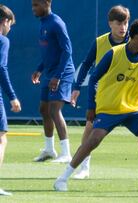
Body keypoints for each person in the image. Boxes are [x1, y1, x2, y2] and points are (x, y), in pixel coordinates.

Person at [54, 19, 138, 193]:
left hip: (134, 108)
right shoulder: (114, 53)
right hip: (109, 107)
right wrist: (91, 107)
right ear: (135, 38)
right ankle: (62, 178)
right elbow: (94, 78)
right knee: (93, 140)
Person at [31, 0, 75, 163]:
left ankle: (66, 153)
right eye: (32, 5)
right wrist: (39, 69)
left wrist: (58, 76)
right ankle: (49, 149)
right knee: (44, 109)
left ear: (47, 3)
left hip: (62, 73)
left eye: (36, 5)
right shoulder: (44, 23)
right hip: (49, 72)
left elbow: (66, 51)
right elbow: (50, 52)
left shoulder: (56, 23)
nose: (33, 8)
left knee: (55, 110)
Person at [0, 4, 22, 196]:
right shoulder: (3, 41)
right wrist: (13, 97)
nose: (9, 29)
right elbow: (1, 69)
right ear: (5, 21)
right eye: (10, 24)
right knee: (1, 138)